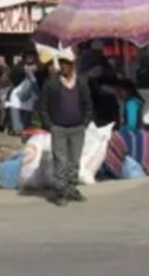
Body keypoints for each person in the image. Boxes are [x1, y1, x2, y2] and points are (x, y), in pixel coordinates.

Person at [38, 53, 94, 207]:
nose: (63, 67)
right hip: (59, 128)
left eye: (67, 64)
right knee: (60, 161)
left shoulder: (81, 82)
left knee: (74, 161)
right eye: (61, 64)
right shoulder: (52, 83)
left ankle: (72, 188)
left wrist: (85, 122)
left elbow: (88, 104)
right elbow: (43, 106)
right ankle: (61, 191)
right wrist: (50, 125)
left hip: (77, 128)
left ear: (72, 65)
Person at [4, 54, 38, 134]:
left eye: (32, 56)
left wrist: (36, 69)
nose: (30, 58)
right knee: (17, 128)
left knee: (24, 128)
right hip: (16, 100)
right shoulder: (19, 67)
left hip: (29, 102)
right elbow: (13, 73)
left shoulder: (39, 69)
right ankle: (13, 131)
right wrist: (24, 70)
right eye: (28, 56)